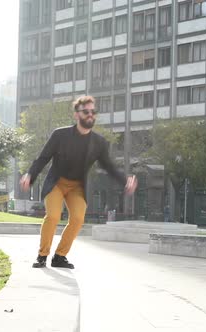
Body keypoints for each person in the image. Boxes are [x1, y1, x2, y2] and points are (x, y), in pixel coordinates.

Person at [20, 96, 138, 269]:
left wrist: (125, 180)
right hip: (57, 183)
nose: (90, 115)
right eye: (86, 112)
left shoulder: (99, 142)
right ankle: (42, 255)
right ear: (77, 115)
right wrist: (30, 175)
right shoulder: (60, 135)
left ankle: (59, 256)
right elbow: (43, 158)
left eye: (93, 112)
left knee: (77, 219)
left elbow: (109, 166)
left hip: (77, 187)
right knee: (53, 216)